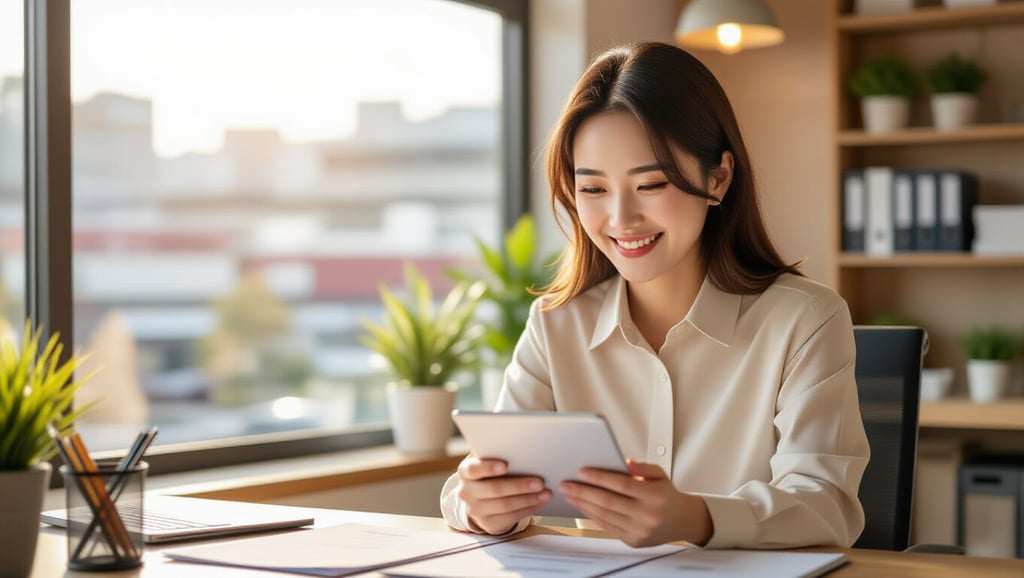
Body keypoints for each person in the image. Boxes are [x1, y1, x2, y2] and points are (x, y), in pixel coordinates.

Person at [440, 41, 869, 549]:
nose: (621, 219)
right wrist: (484, 506)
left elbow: (827, 504)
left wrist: (697, 518)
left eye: (651, 184)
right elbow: (477, 482)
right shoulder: (556, 325)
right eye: (594, 189)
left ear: (719, 177)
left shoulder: (805, 320)